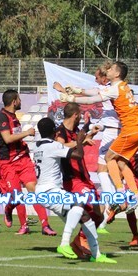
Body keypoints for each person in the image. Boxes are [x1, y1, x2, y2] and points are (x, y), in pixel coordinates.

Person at [60, 61, 138, 217]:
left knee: (108, 158)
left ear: (117, 74)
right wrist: (77, 90)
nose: (108, 70)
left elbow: (92, 100)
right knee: (120, 162)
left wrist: (71, 98)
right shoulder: (121, 87)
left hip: (130, 130)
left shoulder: (115, 89)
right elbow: (95, 92)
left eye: (111, 69)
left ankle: (121, 195)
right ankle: (134, 193)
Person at [34, 117, 116, 263]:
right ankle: (64, 244)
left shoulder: (38, 146)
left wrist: (84, 133)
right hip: (50, 191)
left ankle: (96, 255)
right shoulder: (53, 146)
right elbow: (78, 155)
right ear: (54, 132)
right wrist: (79, 140)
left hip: (43, 191)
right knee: (79, 203)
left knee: (85, 218)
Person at [54, 61, 119, 234]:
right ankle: (111, 207)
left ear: (105, 76)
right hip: (115, 129)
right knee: (113, 168)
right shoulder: (114, 89)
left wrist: (68, 95)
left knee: (102, 169)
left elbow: (91, 96)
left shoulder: (110, 89)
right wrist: (72, 91)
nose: (96, 80)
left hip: (113, 131)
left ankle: (114, 200)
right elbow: (89, 92)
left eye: (97, 77)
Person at [0, 89, 56, 236]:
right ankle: (9, 209)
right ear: (14, 101)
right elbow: (7, 139)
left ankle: (45, 225)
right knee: (17, 196)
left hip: (23, 159)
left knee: (34, 190)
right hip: (8, 163)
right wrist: (27, 133)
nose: (21, 101)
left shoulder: (13, 117)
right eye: (19, 99)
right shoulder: (1, 117)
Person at [55, 103, 103, 258]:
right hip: (73, 179)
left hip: (85, 178)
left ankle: (78, 240)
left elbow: (79, 143)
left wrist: (90, 135)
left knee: (99, 214)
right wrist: (81, 141)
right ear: (75, 115)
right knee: (93, 209)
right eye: (80, 115)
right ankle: (79, 241)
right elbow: (60, 147)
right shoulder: (60, 132)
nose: (81, 117)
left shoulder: (75, 131)